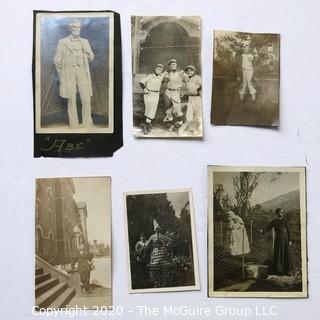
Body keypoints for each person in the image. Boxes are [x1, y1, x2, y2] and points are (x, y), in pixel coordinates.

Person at [54, 19, 95, 129]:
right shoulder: (62, 42)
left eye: (78, 28)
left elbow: (91, 57)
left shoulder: (85, 42)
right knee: (71, 98)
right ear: (70, 28)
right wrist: (62, 75)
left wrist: (87, 51)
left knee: (86, 97)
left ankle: (87, 123)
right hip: (69, 73)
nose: (77, 29)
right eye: (75, 27)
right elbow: (57, 60)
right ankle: (74, 124)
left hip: (82, 72)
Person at [259, 208, 293, 275]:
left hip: (285, 241)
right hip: (278, 240)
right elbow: (268, 228)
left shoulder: (285, 221)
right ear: (277, 213)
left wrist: (290, 240)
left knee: (286, 254)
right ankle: (279, 270)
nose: (281, 214)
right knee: (278, 254)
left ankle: (287, 271)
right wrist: (262, 231)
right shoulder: (274, 222)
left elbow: (288, 231)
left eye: (282, 212)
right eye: (279, 212)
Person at [145, 220, 172, 288]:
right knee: (153, 267)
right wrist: (143, 243)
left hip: (162, 252)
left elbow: (170, 240)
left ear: (159, 229)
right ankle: (156, 283)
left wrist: (166, 245)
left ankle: (164, 283)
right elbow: (147, 244)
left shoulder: (162, 236)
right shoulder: (152, 236)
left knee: (165, 266)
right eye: (156, 229)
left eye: (158, 228)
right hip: (155, 252)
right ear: (154, 229)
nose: (157, 230)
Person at [139, 64, 165, 134]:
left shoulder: (162, 76)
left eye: (160, 70)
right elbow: (141, 82)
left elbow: (167, 74)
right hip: (148, 93)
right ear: (155, 69)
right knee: (148, 109)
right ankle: (147, 125)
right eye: (158, 69)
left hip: (156, 94)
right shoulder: (150, 75)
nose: (159, 70)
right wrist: (144, 88)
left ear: (161, 71)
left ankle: (146, 125)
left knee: (152, 110)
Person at [163, 59, 185, 131]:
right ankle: (170, 124)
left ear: (176, 65)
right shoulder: (166, 73)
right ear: (169, 66)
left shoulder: (180, 72)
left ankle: (180, 122)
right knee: (168, 108)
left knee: (177, 107)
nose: (173, 65)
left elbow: (186, 82)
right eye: (171, 64)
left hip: (176, 92)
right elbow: (163, 82)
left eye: (174, 64)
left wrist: (182, 91)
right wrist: (165, 76)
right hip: (168, 91)